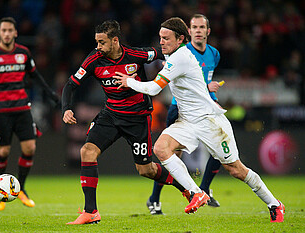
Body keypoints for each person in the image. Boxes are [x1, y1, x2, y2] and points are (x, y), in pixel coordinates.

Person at [115, 17, 285, 222]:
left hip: (209, 121)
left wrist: (129, 81)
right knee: (161, 148)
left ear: (180, 39)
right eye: (160, 38)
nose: (161, 42)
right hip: (187, 121)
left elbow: (153, 88)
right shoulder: (175, 55)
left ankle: (275, 204)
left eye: (166, 38)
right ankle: (197, 192)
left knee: (236, 170)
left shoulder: (180, 57)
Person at [62, 20, 192, 225]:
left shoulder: (136, 55)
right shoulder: (94, 59)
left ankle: (186, 188)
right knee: (87, 151)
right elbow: (71, 85)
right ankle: (90, 211)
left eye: (102, 42)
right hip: (110, 115)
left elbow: (164, 54)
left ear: (115, 41)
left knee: (146, 170)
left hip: (137, 118)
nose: (98, 47)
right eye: (97, 42)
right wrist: (66, 108)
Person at [0, 17, 59, 211]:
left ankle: (21, 188)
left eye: (9, 30)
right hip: (0, 110)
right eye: (3, 30)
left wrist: (50, 94)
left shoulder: (23, 53)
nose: (6, 34)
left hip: (22, 108)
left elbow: (35, 75)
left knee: (30, 148)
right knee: (3, 151)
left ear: (15, 33)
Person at [147, 14, 222, 215]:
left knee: (220, 151)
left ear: (208, 31)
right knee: (172, 155)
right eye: (194, 27)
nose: (198, 30)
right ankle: (154, 198)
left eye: (201, 27)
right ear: (187, 32)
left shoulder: (214, 54)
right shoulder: (180, 52)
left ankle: (204, 189)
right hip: (179, 108)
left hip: (205, 106)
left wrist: (210, 90)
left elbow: (199, 82)